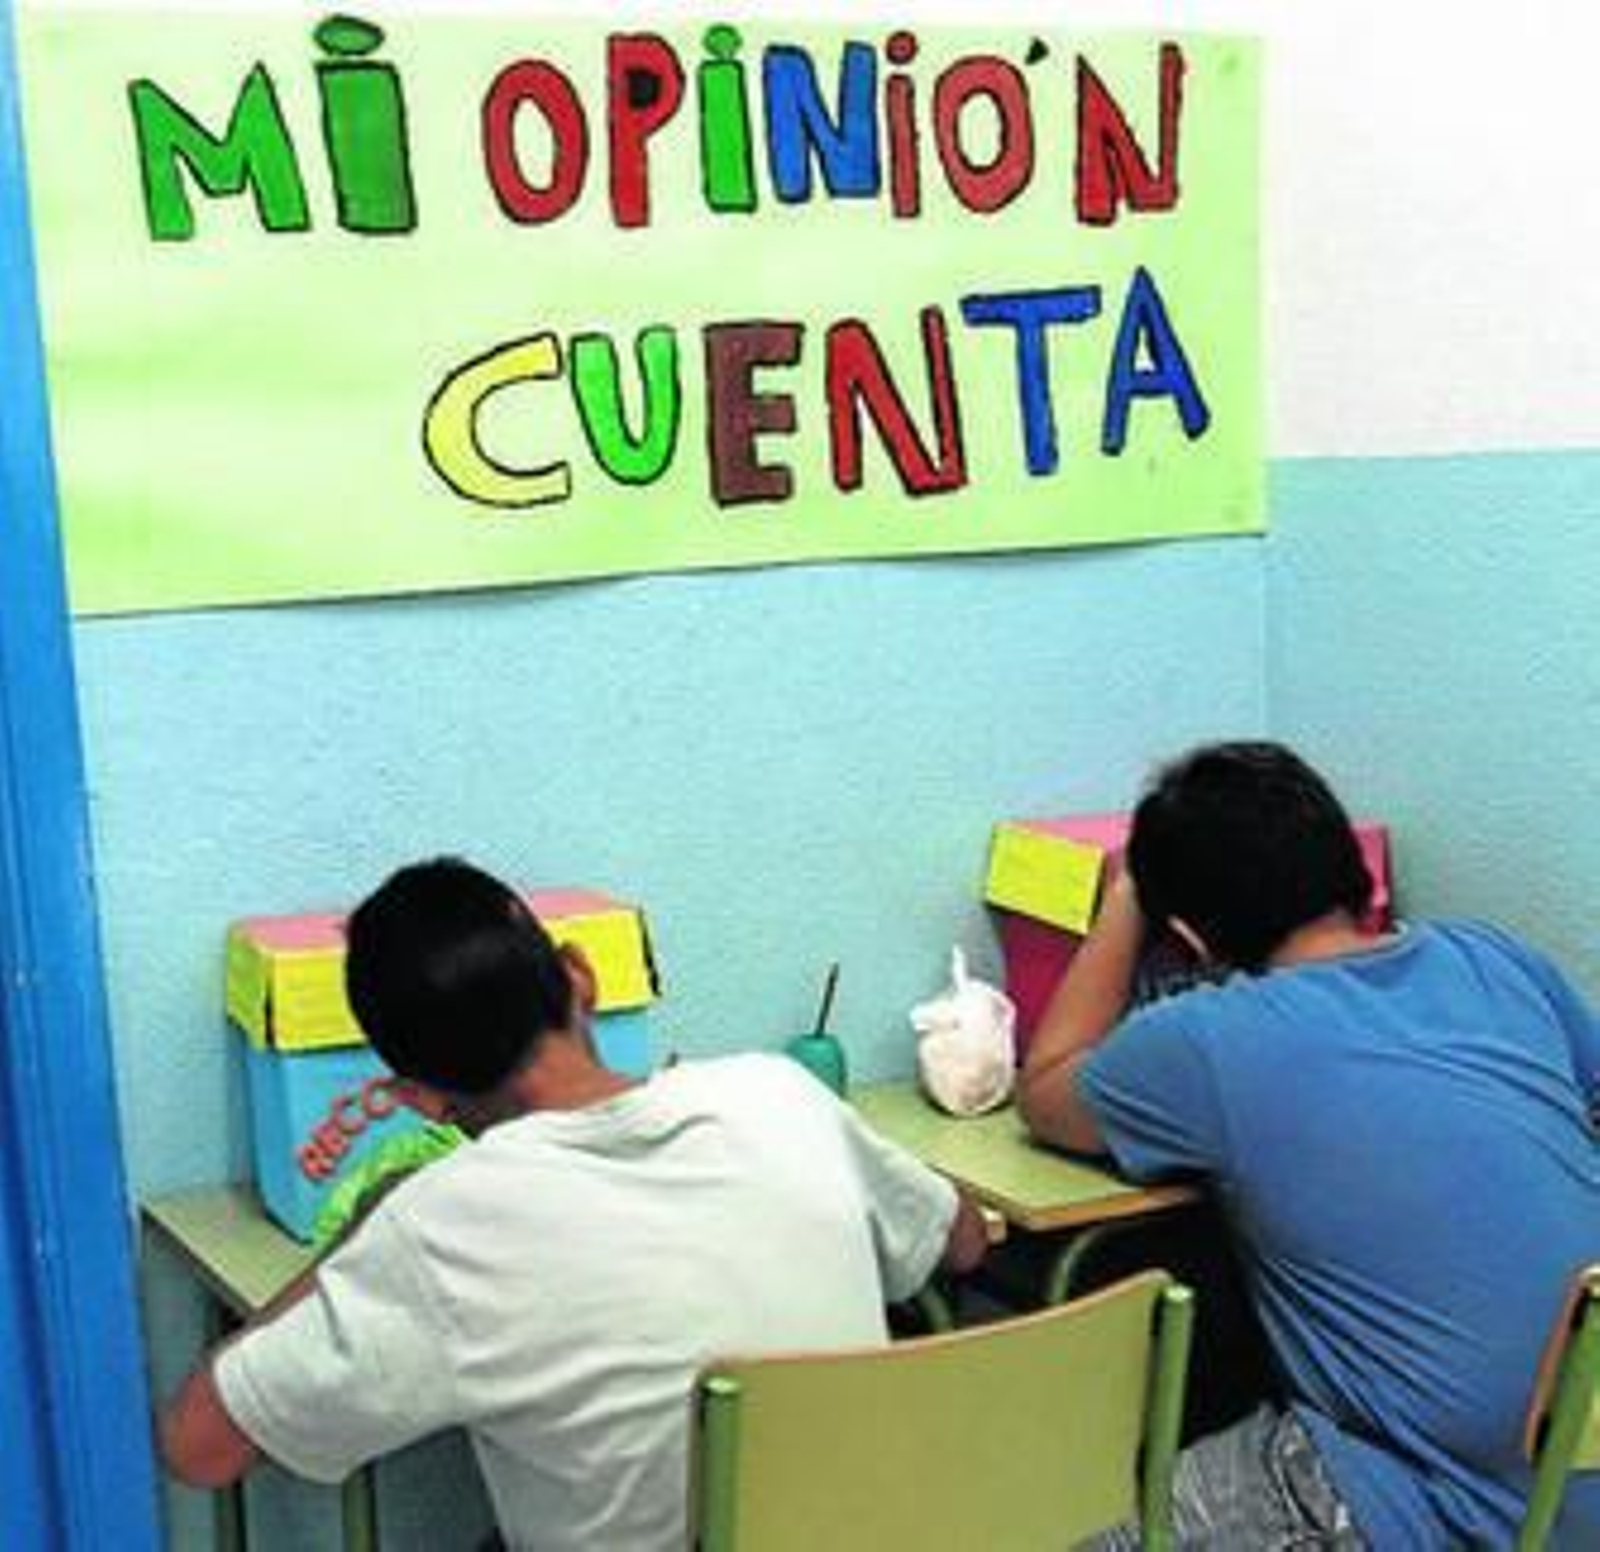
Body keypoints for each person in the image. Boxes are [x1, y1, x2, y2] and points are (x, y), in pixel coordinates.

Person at [162, 857, 987, 1549]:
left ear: (417, 1096)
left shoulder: (444, 1221)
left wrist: (374, 1229)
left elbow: (197, 1445)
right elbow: (961, 1243)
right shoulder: (778, 1091)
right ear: (580, 977)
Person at [1019, 740, 1600, 1549]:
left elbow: (1045, 1088)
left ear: (1188, 936)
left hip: (1444, 1506)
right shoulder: (1491, 959)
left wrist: (1125, 897)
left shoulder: (1209, 1041)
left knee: (1084, 1534)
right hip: (1579, 1462)